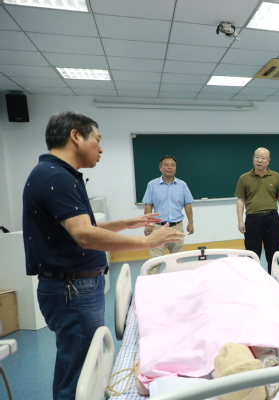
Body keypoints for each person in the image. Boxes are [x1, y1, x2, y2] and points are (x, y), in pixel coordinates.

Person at [22, 111, 184, 400]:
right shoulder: (56, 177)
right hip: (72, 289)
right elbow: (84, 235)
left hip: (74, 286)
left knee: (81, 364)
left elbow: (79, 227)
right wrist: (147, 241)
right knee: (79, 372)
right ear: (75, 136)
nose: (101, 148)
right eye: (97, 139)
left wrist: (126, 223)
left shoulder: (55, 174)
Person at [235, 147, 279, 274]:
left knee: (273, 254)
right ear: (253, 159)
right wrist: (240, 221)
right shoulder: (244, 178)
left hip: (272, 218)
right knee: (252, 255)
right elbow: (240, 200)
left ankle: (273, 280)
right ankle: (254, 281)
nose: (259, 160)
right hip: (252, 219)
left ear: (268, 161)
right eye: (257, 157)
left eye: (263, 158)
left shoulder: (276, 177)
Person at [143, 155, 194, 260]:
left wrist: (190, 223)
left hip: (177, 227)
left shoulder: (182, 185)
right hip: (158, 227)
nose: (169, 167)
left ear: (175, 167)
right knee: (155, 260)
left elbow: (187, 204)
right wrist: (147, 224)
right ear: (160, 167)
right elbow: (148, 205)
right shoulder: (152, 184)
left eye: (173, 165)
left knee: (176, 259)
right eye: (166, 165)